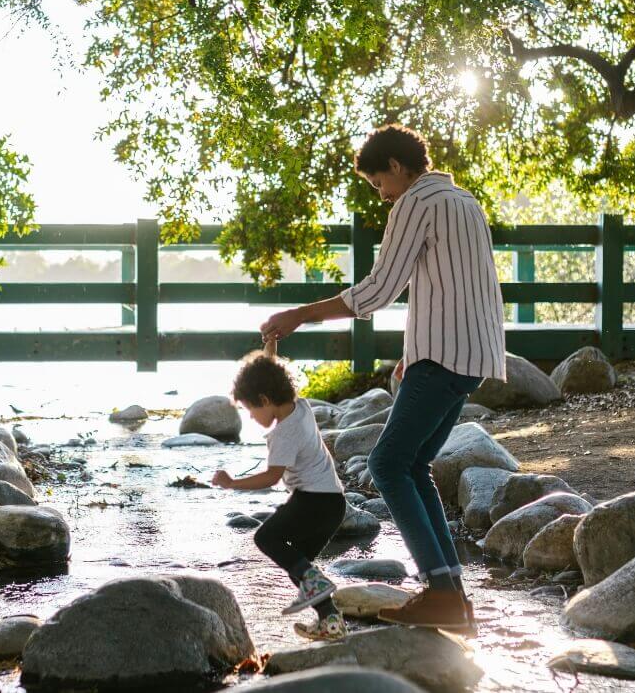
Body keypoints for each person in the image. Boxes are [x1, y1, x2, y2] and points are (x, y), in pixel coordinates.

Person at [259, 124, 506, 630]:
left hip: (441, 360)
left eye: (378, 183)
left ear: (396, 167)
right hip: (470, 355)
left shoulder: (414, 204)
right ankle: (452, 595)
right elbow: (461, 286)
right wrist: (415, 351)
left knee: (387, 465)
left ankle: (440, 590)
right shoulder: (465, 201)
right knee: (413, 466)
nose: (382, 194)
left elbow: (378, 290)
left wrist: (300, 315)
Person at [212, 344, 348, 641]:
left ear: (264, 400)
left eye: (250, 409)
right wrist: (270, 348)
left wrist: (232, 483)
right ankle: (331, 622)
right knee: (300, 568)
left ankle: (325, 605)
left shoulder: (285, 433)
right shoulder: (299, 406)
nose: (250, 417)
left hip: (313, 501)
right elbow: (271, 376)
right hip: (333, 503)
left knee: (266, 538)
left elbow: (272, 478)